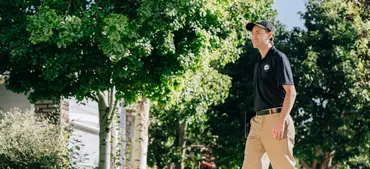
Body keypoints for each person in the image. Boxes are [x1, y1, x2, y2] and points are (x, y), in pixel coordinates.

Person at [242, 20, 297, 169]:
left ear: (270, 35)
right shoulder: (259, 63)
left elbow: (291, 93)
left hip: (276, 119)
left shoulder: (278, 58)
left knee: (283, 166)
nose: (254, 36)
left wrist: (281, 121)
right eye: (252, 33)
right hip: (257, 121)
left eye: (258, 33)